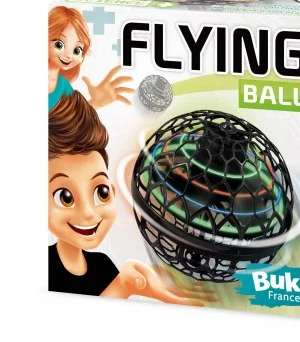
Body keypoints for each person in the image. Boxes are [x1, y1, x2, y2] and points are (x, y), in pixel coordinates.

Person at [48, 91, 212, 304]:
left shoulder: (103, 266)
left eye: (101, 193)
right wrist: (123, 286)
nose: (88, 213)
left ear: (112, 191)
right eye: (65, 198)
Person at [48, 6, 134, 111]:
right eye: (59, 44)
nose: (69, 55)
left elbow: (73, 118)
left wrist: (96, 102)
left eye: (77, 50)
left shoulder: (63, 86)